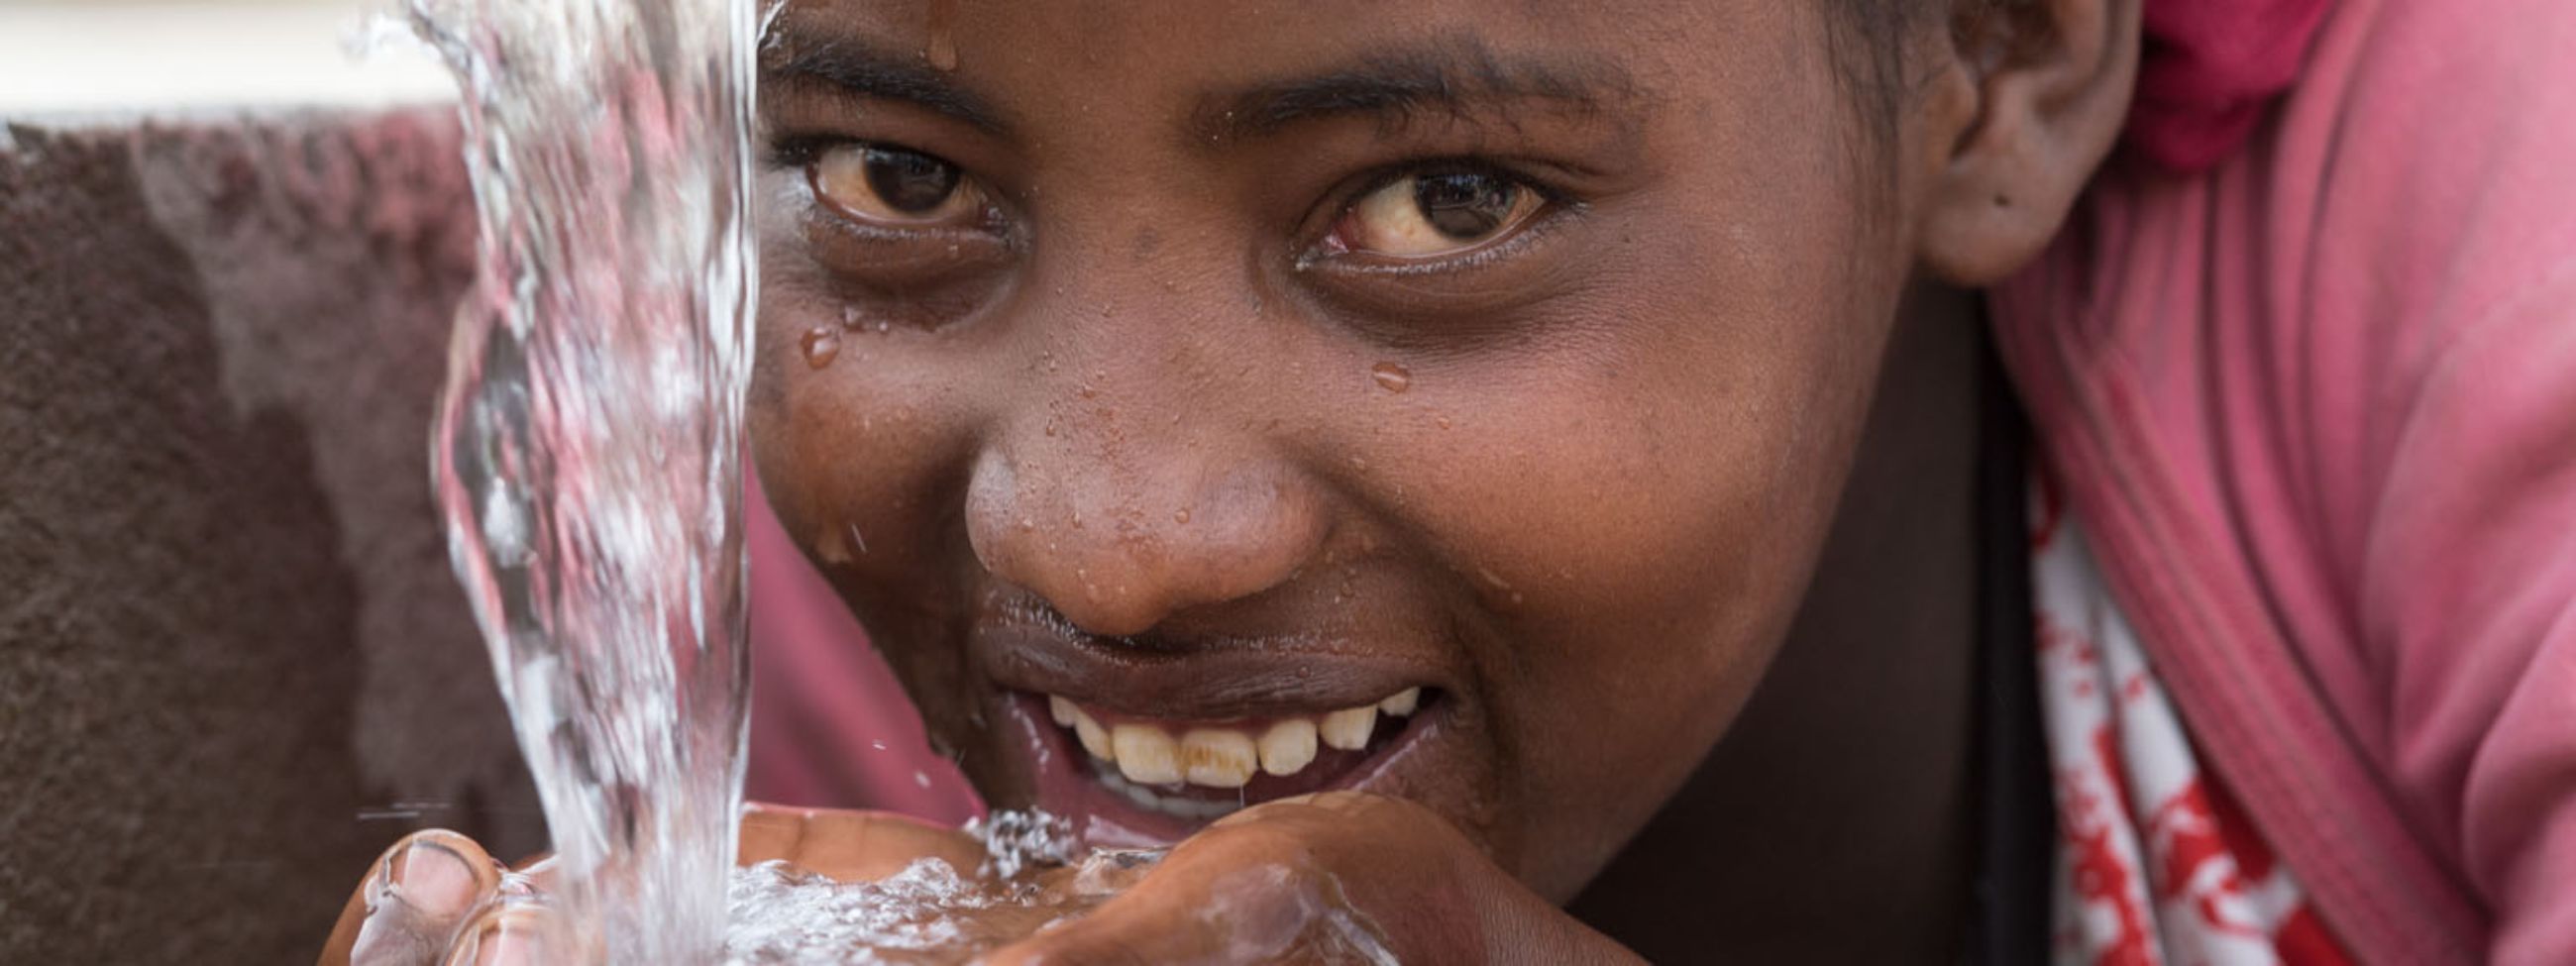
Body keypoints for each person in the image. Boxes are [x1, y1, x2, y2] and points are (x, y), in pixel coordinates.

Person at [322, 0, 2576, 961]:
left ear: (1998, 53)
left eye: (1438, 207)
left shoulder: (2477, 252)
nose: (1100, 537)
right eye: (903, 171)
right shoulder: (766, 556)